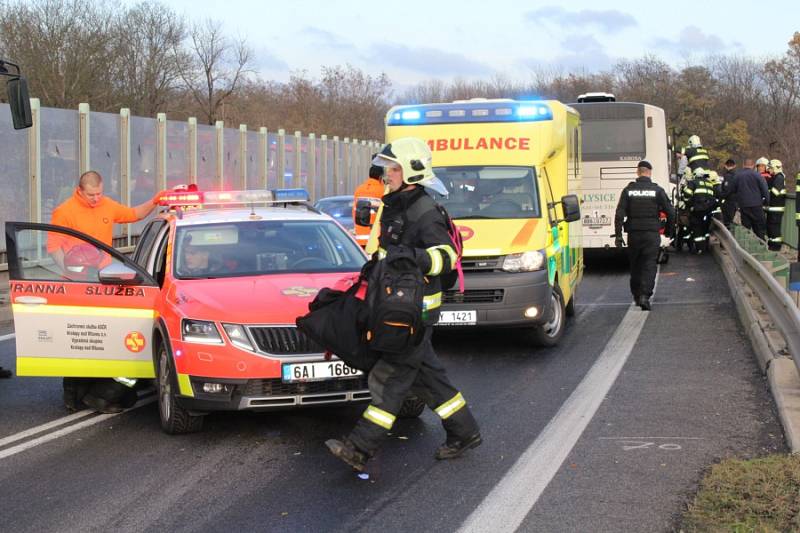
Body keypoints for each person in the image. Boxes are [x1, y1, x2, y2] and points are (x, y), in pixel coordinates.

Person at [326, 137, 481, 471]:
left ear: (411, 170)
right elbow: (387, 254)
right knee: (429, 378)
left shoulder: (424, 210)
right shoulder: (397, 204)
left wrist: (408, 257)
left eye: (392, 168)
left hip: (415, 312)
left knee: (390, 378)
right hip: (398, 307)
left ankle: (359, 448)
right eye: (386, 168)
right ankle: (465, 432)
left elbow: (446, 256)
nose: (386, 174)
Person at [47, 170, 163, 413]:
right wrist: (70, 276)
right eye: (91, 195)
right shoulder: (64, 211)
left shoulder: (107, 206)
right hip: (78, 283)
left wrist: (154, 201)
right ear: (80, 191)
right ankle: (73, 396)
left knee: (99, 337)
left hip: (103, 281)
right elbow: (55, 248)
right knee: (78, 339)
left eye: (99, 194)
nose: (96, 199)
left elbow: (132, 215)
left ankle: (95, 392)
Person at [614, 160, 676, 310]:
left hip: (634, 233)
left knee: (636, 265)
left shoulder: (628, 190)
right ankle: (645, 296)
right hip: (651, 233)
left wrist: (618, 235)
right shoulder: (657, 191)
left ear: (638, 172)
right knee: (649, 265)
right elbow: (671, 212)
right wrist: (669, 230)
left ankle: (636, 295)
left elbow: (619, 213)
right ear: (650, 173)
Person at [730, 159, 769, 241]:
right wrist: (767, 201)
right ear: (753, 165)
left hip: (744, 205)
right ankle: (761, 245)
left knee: (746, 228)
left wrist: (737, 202)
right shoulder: (758, 175)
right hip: (757, 205)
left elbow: (732, 190)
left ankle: (747, 246)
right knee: (759, 227)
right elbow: (765, 189)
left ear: (743, 165)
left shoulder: (737, 176)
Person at [352, 155, 386, 248]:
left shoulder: (359, 190)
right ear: (380, 177)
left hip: (359, 239)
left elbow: (354, 211)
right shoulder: (382, 191)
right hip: (375, 239)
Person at [682, 168, 717, 254]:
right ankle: (705, 246)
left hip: (697, 210)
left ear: (695, 175)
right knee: (705, 228)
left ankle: (700, 248)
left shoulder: (693, 182)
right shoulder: (709, 183)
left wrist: (688, 202)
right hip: (708, 210)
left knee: (697, 228)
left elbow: (687, 194)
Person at [764, 159, 787, 251]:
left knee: (774, 228)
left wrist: (765, 196)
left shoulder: (779, 178)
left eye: (770, 168)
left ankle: (776, 246)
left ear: (775, 168)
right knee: (770, 227)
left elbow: (775, 192)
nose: (769, 170)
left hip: (776, 208)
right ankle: (772, 245)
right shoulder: (775, 177)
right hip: (772, 208)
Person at [720, 159, 738, 227]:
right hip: (737, 201)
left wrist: (721, 196)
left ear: (725, 166)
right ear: (735, 166)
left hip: (729, 201)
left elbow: (727, 190)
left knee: (728, 221)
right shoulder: (737, 174)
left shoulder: (728, 176)